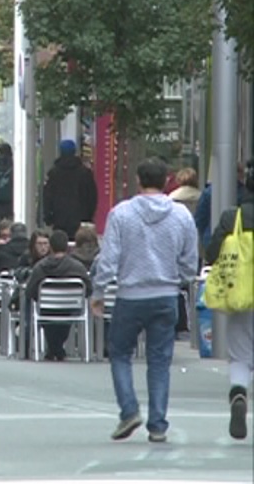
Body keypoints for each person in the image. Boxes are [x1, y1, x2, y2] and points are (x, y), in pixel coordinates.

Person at [93, 159, 198, 444]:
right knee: (160, 361)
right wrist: (182, 276)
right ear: (166, 181)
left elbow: (110, 258)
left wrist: (99, 291)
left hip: (130, 294)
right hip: (166, 295)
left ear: (138, 180)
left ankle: (129, 410)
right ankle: (158, 424)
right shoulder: (181, 216)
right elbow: (190, 260)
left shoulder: (121, 214)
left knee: (119, 353)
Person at [204, 159, 254, 440]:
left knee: (240, 355)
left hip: (241, 294)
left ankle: (238, 393)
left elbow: (212, 254)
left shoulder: (232, 217)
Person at [24, 230, 93, 361]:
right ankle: (57, 349)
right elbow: (88, 289)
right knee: (63, 319)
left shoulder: (40, 267)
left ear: (51, 246)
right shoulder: (78, 267)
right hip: (71, 309)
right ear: (67, 246)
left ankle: (54, 349)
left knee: (46, 316)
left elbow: (30, 291)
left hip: (46, 309)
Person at [43, 139, 98, 240]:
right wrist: (89, 217)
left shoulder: (53, 174)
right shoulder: (85, 173)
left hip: (59, 221)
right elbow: (92, 197)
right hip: (81, 221)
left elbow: (47, 197)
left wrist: (48, 218)